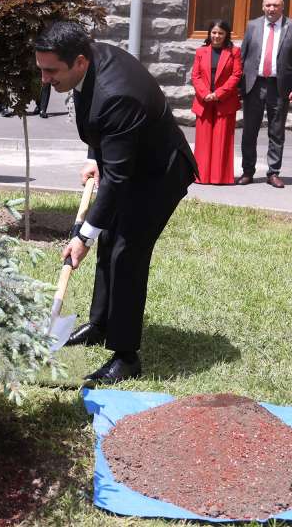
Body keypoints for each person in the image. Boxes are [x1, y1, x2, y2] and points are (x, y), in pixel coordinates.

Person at [34, 21, 197, 385]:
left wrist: (83, 236)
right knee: (109, 239)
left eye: (51, 71)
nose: (44, 79)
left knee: (126, 251)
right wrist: (95, 156)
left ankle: (126, 356)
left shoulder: (117, 93)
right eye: (41, 69)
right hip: (128, 160)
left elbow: (119, 179)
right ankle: (101, 323)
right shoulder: (89, 62)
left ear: (79, 61)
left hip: (158, 174)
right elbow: (96, 118)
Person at [237, 0, 292, 188]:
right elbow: (242, 57)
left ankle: (273, 173)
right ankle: (247, 172)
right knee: (249, 131)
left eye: (275, 5)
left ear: (282, 7)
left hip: (279, 87)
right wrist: (238, 85)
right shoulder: (252, 25)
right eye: (268, 5)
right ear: (263, 6)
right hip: (254, 85)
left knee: (276, 133)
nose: (271, 9)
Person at [191, 19, 242, 185]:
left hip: (225, 101)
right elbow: (196, 76)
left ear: (226, 34)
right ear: (209, 33)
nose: (217, 36)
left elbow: (236, 75)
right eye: (214, 32)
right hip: (204, 101)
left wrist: (218, 94)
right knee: (203, 141)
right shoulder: (201, 51)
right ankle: (202, 176)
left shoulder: (234, 52)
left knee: (222, 141)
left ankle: (219, 177)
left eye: (221, 33)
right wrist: (205, 94)